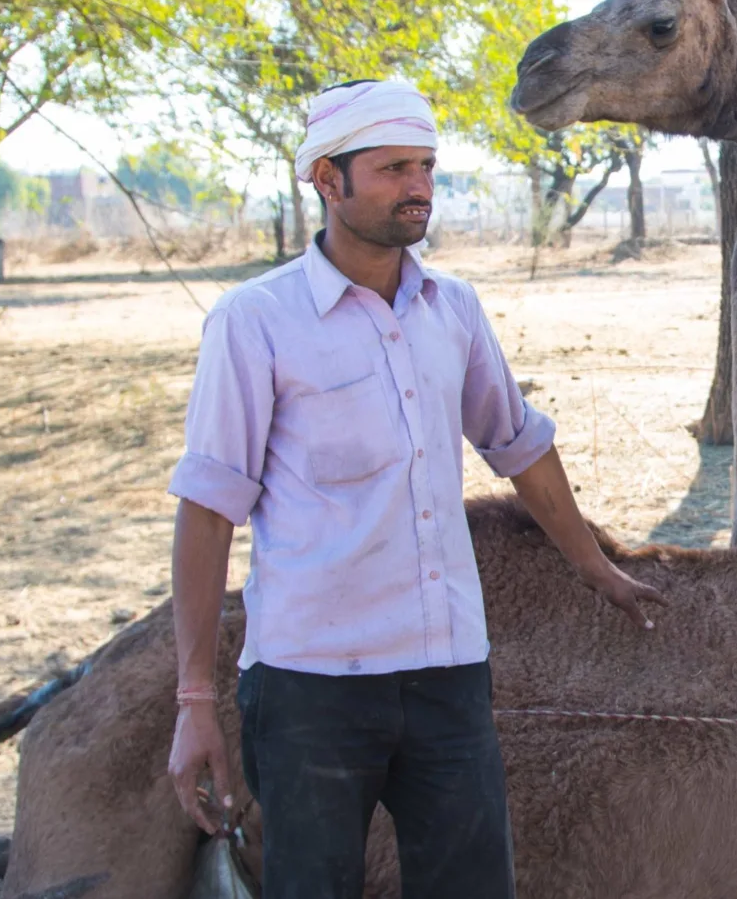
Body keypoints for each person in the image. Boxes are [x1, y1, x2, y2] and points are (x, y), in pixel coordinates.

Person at [164, 78, 665, 899]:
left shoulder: (453, 310)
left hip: (446, 673)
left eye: (427, 166)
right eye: (394, 168)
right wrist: (194, 701)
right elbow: (209, 509)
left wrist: (596, 567)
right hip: (309, 688)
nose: (420, 188)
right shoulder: (254, 322)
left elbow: (519, 446)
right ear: (329, 181)